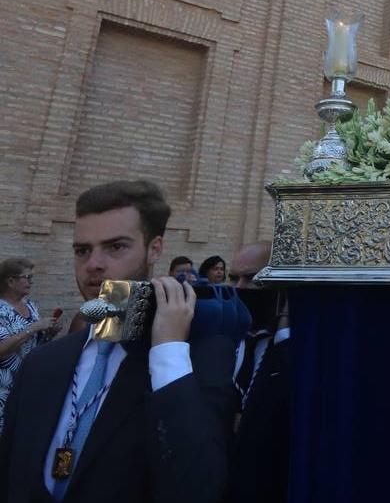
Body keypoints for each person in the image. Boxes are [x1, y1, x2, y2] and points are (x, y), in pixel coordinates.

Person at [0, 179, 235, 503]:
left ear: (155, 248)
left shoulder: (194, 358)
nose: (93, 263)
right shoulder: (42, 363)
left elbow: (198, 485)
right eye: (83, 250)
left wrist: (167, 349)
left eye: (116, 247)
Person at [227, 242, 290, 503]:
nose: (240, 288)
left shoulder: (291, 350)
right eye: (234, 278)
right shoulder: (219, 342)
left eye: (252, 278)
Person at [0, 258, 62, 432]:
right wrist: (33, 328)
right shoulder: (1, 310)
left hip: (29, 384)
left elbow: (35, 345)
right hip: (5, 391)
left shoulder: (30, 305)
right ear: (10, 281)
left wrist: (49, 333)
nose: (30, 281)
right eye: (26, 277)